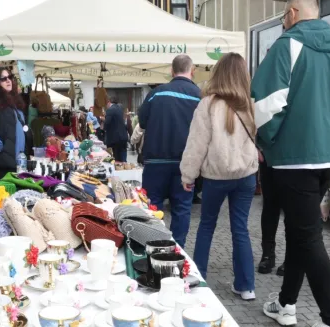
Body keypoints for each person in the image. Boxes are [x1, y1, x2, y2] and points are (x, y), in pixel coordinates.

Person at [252, 0, 330, 327]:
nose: (282, 22)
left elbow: (264, 107)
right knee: (301, 230)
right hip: (328, 156)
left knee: (307, 236)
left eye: (283, 16)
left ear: (292, 12)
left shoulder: (286, 46)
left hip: (293, 157)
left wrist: (270, 141)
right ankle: (286, 303)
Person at [180, 53, 259, 300]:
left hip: (216, 175)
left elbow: (197, 144)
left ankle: (199, 278)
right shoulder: (250, 104)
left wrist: (188, 175)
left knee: (206, 225)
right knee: (240, 228)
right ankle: (246, 286)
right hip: (246, 175)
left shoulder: (208, 104)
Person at [138, 55, 201, 248]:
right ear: (192, 71)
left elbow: (142, 122)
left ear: (171, 71)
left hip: (156, 161)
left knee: (152, 206)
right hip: (186, 163)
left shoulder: (156, 93)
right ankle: (176, 249)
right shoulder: (200, 96)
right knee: (182, 208)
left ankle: (153, 246)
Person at [257, 157, 284, 276]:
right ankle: (267, 254)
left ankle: (291, 257)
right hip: (269, 157)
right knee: (269, 206)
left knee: (292, 209)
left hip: (292, 159)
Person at [103, 97, 129, 162]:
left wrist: (104, 127)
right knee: (122, 156)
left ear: (109, 102)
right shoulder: (120, 109)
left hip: (114, 138)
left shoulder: (110, 110)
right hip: (122, 136)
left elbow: (107, 123)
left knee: (116, 158)